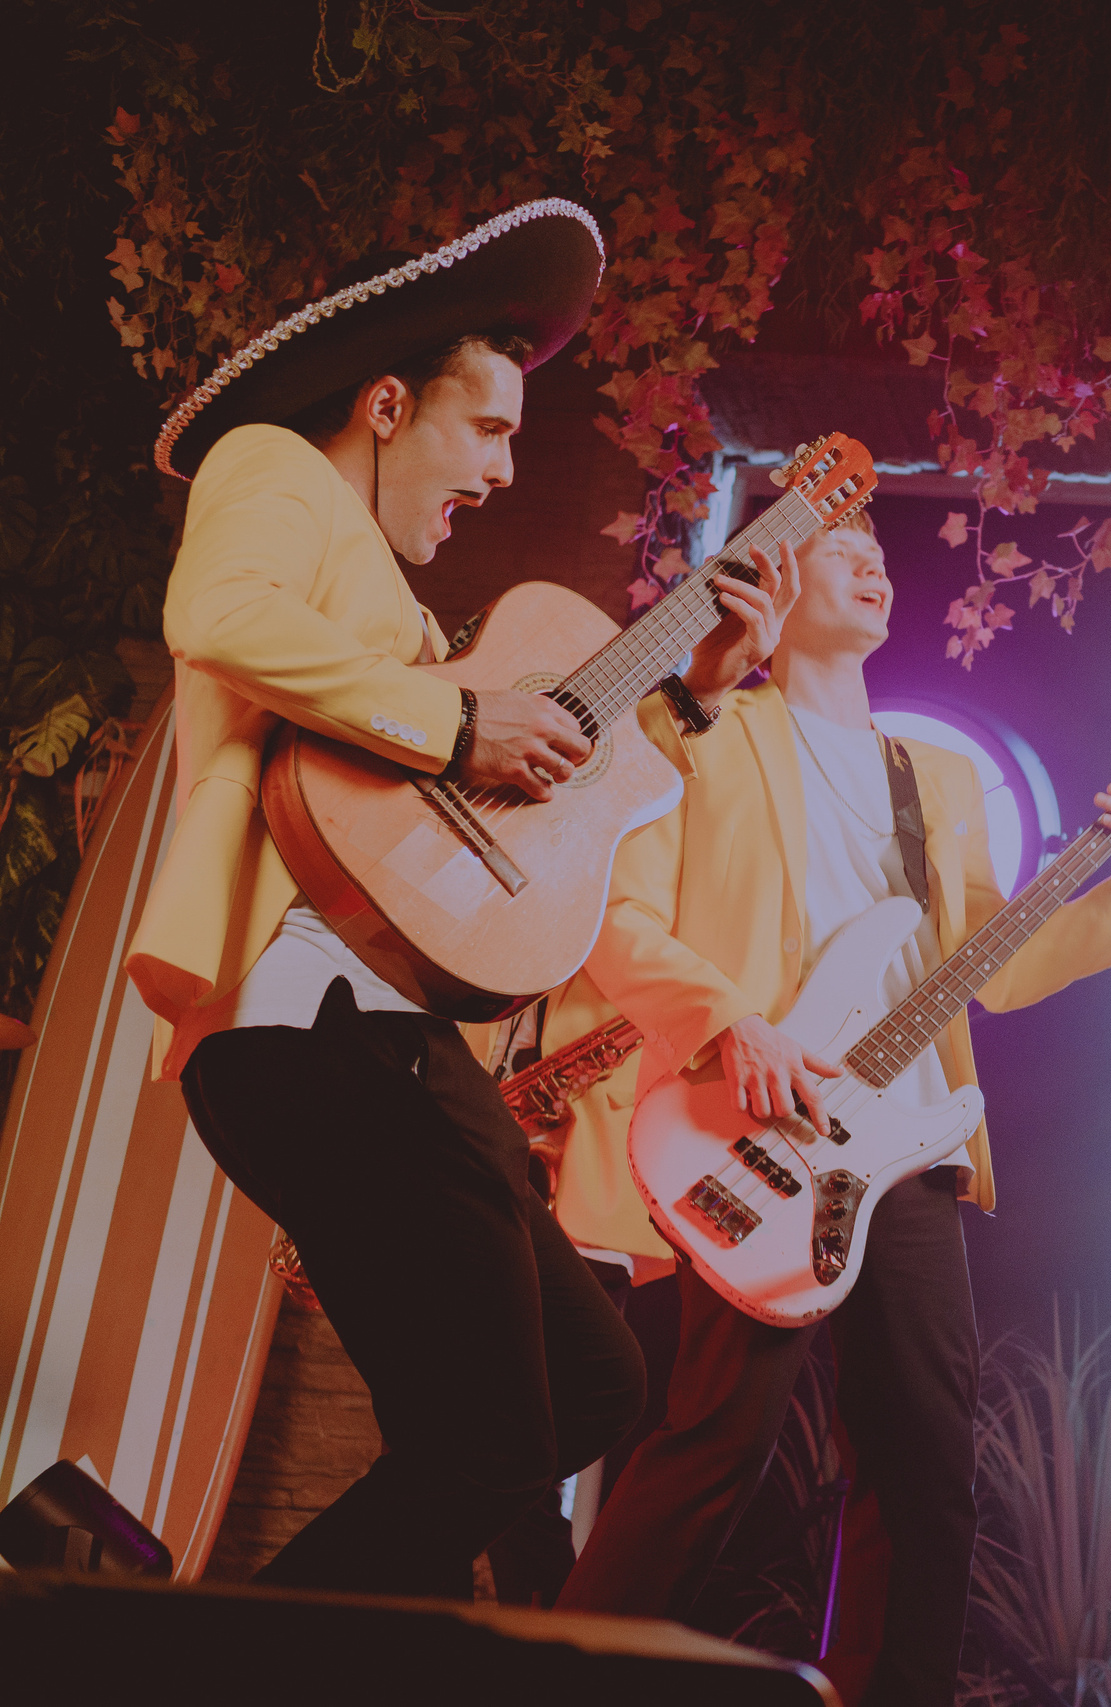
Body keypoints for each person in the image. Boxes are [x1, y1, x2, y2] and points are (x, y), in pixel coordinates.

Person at [122, 199, 787, 1600]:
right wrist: (452, 730)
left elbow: (533, 790)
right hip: (313, 1018)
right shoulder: (276, 470)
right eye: (486, 429)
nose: (498, 472)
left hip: (405, 1038)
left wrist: (697, 683)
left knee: (590, 1387)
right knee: (489, 1439)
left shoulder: (411, 629)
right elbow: (221, 616)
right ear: (383, 401)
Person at [543, 509, 1111, 1706]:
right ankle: (554, 1678)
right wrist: (733, 1023)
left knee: (931, 1470)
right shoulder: (698, 734)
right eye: (848, 553)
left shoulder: (929, 775)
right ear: (779, 580)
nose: (878, 568)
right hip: (764, 1127)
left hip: (910, 1145)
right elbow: (613, 923)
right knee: (718, 1445)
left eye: (886, 559)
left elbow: (996, 960)